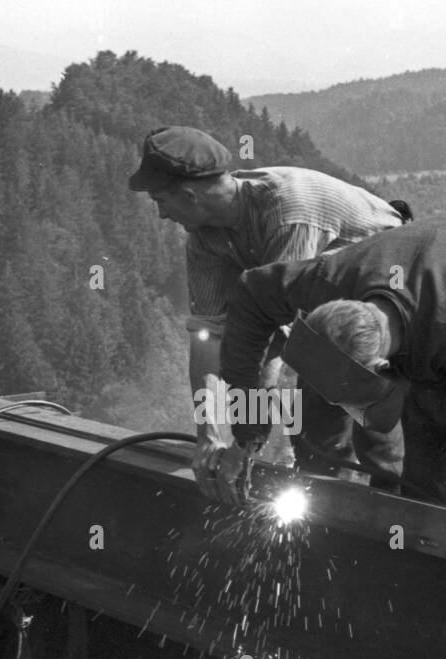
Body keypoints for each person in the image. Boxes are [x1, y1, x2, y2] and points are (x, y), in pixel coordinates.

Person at [205, 216, 446, 523]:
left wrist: (414, 395)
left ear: (384, 369)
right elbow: (250, 293)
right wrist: (246, 432)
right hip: (437, 277)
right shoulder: (327, 281)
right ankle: (421, 567)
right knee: (419, 481)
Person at [127, 125, 410, 497]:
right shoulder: (205, 238)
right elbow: (207, 336)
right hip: (320, 314)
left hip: (387, 303)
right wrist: (209, 433)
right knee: (313, 440)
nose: (162, 215)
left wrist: (246, 443)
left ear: (190, 194)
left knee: (374, 440)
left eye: (160, 201)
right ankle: (328, 520)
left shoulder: (288, 211)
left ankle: (411, 523)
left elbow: (272, 336)